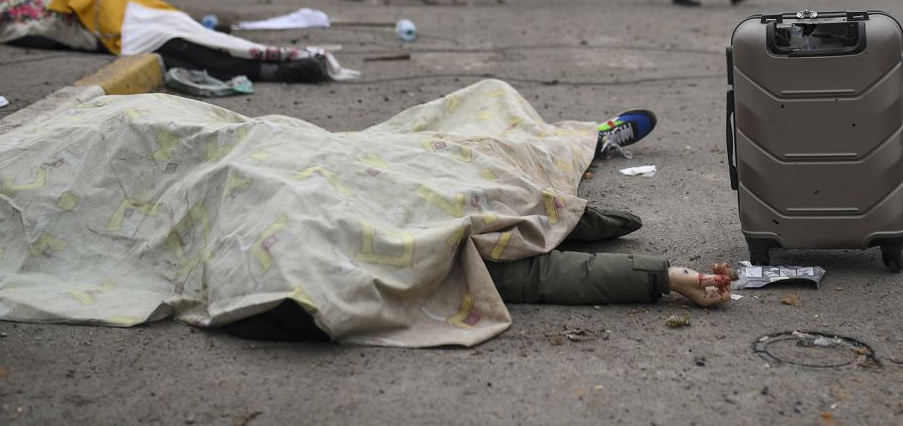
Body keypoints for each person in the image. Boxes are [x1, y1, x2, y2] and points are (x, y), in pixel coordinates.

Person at [224, 107, 734, 342]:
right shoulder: (414, 271)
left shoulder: (275, 248)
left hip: (331, 158)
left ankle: (579, 145)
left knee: (476, 135)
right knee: (500, 158)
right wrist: (663, 278)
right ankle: (582, 147)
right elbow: (537, 277)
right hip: (418, 187)